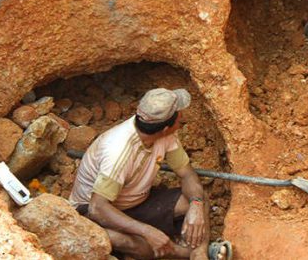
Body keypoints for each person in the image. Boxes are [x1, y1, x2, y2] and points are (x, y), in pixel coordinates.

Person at [69, 88, 231, 260]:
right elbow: (97, 208)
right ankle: (187, 253)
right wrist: (147, 231)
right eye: (179, 113)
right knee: (140, 246)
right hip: (93, 214)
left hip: (135, 203)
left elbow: (187, 174)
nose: (182, 117)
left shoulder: (166, 136)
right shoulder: (118, 151)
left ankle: (199, 255)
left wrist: (196, 205)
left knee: (198, 198)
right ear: (166, 126)